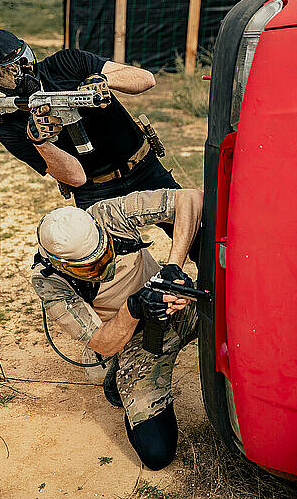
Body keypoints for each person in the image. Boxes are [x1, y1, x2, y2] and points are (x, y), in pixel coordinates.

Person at [31, 186, 203, 470]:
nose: (105, 266)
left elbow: (190, 198)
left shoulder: (108, 213)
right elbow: (102, 342)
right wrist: (135, 307)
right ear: (63, 266)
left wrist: (172, 268)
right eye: (92, 268)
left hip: (179, 304)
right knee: (157, 453)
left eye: (106, 253)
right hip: (134, 338)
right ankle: (117, 374)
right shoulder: (50, 281)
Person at [0, 29, 182, 211]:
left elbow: (146, 79)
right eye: (3, 74)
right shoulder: (9, 126)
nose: (20, 74)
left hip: (143, 166)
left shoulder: (67, 62)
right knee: (105, 254)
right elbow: (75, 178)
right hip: (94, 190)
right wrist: (39, 142)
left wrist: (104, 80)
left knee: (196, 232)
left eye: (22, 63)